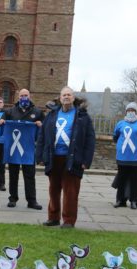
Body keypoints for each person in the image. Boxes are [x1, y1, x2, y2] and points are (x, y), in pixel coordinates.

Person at [36, 87, 95, 228]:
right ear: (60, 98)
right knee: (53, 190)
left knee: (71, 192)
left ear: (73, 98)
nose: (66, 97)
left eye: (69, 95)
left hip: (73, 158)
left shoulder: (82, 116)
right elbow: (42, 136)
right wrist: (40, 156)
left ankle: (68, 220)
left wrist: (86, 161)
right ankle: (53, 217)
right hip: (54, 157)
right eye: (64, 95)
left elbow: (90, 139)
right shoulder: (51, 115)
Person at [1, 88, 44, 210]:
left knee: (30, 176)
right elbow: (2, 124)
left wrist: (41, 125)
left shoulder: (37, 112)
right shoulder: (11, 111)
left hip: (29, 149)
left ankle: (32, 201)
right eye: (21, 96)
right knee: (13, 175)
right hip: (14, 150)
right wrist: (2, 121)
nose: (23, 98)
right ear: (18, 97)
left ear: (29, 96)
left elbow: (46, 127)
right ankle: (13, 198)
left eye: (26, 95)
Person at [112, 102, 137, 209]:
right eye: (129, 110)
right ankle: (120, 200)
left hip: (136, 157)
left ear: (136, 111)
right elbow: (115, 137)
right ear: (126, 111)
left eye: (132, 110)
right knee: (122, 178)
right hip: (122, 157)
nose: (130, 112)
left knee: (135, 179)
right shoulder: (120, 123)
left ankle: (134, 200)